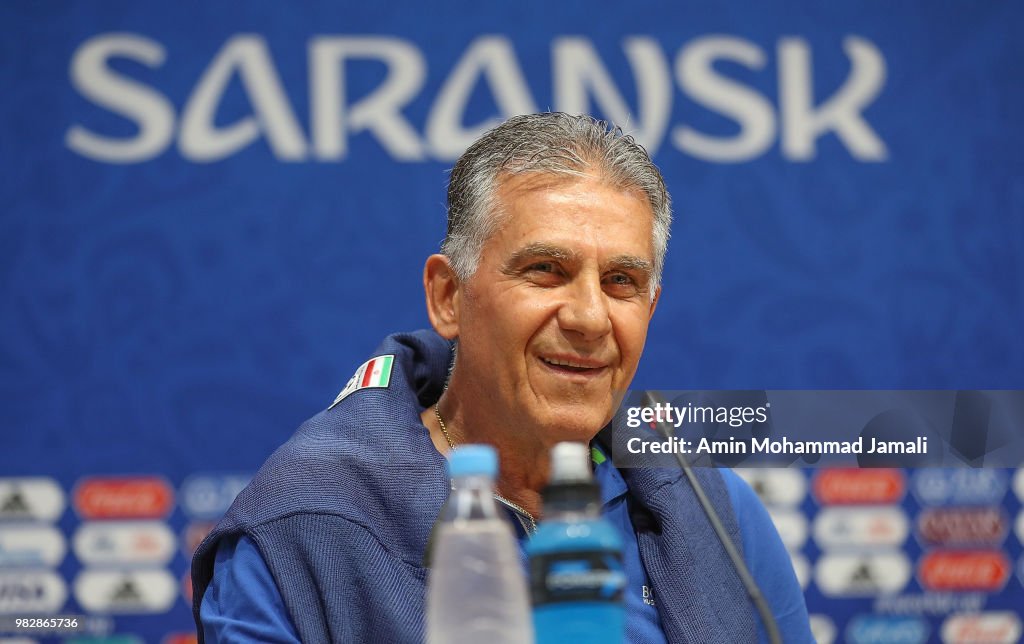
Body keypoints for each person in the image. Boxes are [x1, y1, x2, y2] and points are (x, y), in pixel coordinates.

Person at [191, 112, 812, 643]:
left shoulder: (717, 511)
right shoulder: (300, 525)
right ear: (448, 296)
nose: (590, 317)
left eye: (621, 281)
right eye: (545, 270)